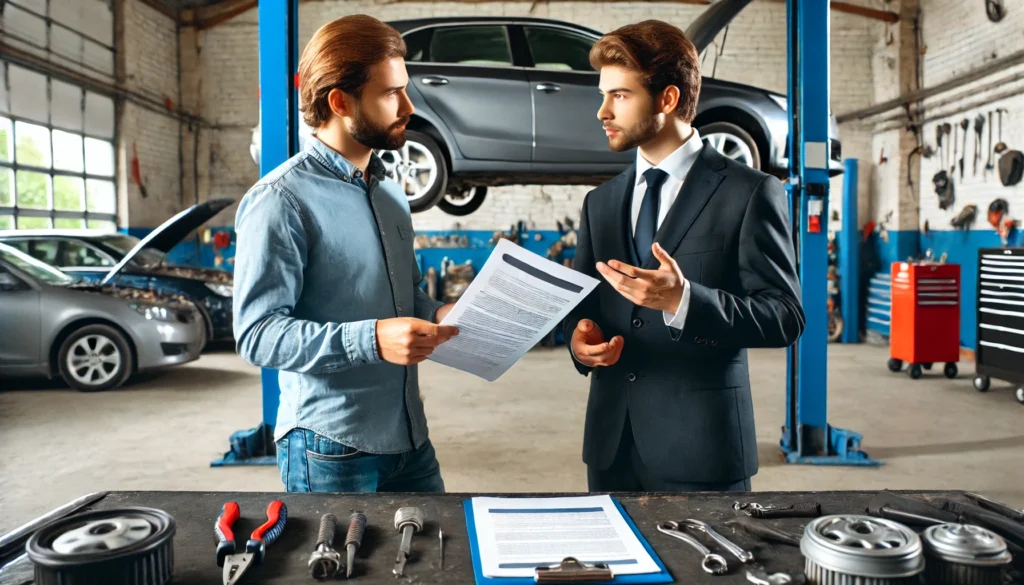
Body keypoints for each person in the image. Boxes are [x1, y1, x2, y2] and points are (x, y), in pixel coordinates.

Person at [564, 20, 805, 493]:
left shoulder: (750, 192)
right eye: (603, 94)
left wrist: (684, 301)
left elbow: (784, 317)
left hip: (704, 452)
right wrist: (580, 343)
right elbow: (586, 311)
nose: (602, 112)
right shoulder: (602, 203)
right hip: (612, 450)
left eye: (620, 96)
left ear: (668, 99)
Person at [232, 14, 458, 493]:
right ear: (340, 101)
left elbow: (403, 297)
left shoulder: (390, 194)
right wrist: (371, 340)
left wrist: (443, 312)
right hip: (330, 447)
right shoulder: (281, 199)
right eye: (390, 93)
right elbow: (257, 334)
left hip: (410, 439)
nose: (409, 106)